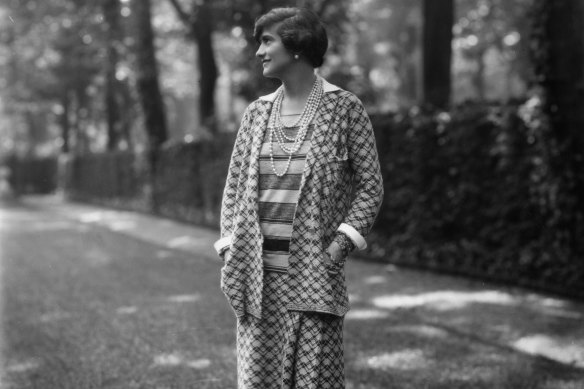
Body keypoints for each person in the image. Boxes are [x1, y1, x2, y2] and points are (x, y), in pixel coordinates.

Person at [213, 7, 383, 389]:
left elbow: (371, 186)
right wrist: (230, 249)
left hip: (314, 278)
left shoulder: (344, 109)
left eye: (267, 41)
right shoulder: (256, 114)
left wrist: (339, 246)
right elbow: (235, 187)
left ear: (296, 46)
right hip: (257, 280)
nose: (259, 51)